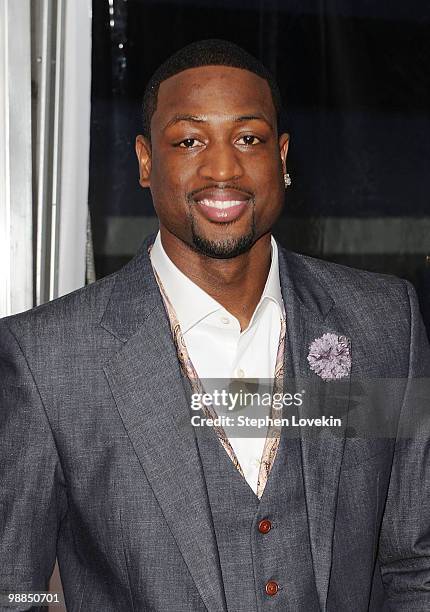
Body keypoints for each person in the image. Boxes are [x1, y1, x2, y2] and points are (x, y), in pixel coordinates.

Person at [1, 38, 429, 612]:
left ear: (281, 156)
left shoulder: (383, 326)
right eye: (189, 140)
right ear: (147, 161)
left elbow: (417, 565)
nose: (223, 168)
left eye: (248, 139)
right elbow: (13, 589)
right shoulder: (46, 358)